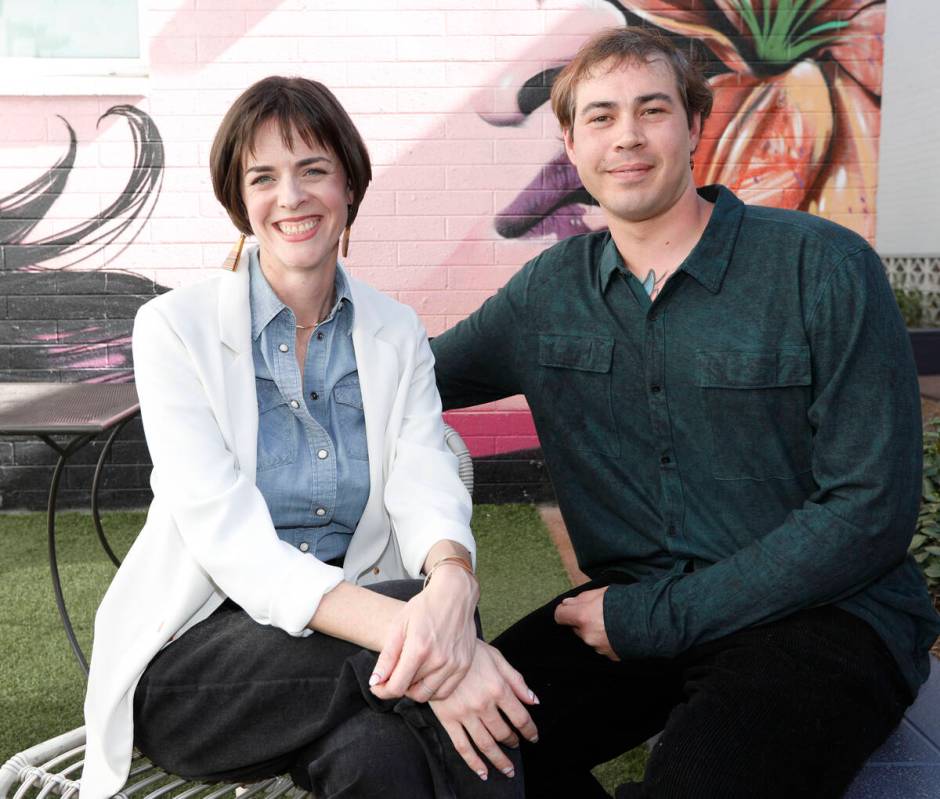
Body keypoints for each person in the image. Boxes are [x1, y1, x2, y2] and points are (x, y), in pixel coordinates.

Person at [430, 26, 940, 799]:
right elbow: (407, 377)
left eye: (652, 110)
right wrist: (272, 301)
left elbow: (870, 511)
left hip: (825, 618)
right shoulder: (545, 295)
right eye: (600, 117)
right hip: (632, 606)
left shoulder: (824, 269)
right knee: (459, 748)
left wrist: (657, 617)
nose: (626, 136)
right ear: (570, 142)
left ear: (695, 125)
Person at [81, 76, 537, 799]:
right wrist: (443, 644)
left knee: (376, 759)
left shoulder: (395, 331)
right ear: (242, 199)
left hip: (356, 648)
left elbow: (424, 477)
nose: (290, 196)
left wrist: (451, 580)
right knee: (444, 659)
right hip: (201, 669)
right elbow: (233, 544)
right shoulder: (174, 329)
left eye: (313, 169)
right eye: (263, 176)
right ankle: (448, 657)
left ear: (349, 186)